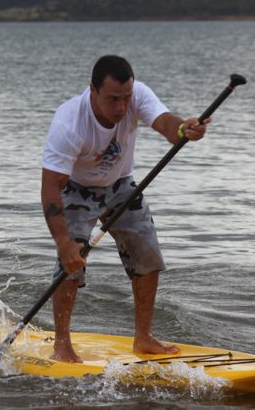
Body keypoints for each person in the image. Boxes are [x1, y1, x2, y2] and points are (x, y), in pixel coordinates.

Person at [41, 55, 208, 363]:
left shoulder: (137, 95)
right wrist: (64, 243)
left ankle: (143, 338)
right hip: (76, 190)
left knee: (148, 254)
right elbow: (51, 187)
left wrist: (185, 128)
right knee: (70, 262)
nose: (121, 107)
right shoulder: (69, 123)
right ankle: (61, 344)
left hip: (121, 185)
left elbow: (167, 125)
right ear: (92, 91)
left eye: (125, 98)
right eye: (112, 99)